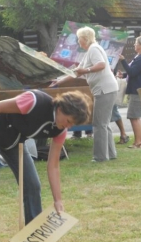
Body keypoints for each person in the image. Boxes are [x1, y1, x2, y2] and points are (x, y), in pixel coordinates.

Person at [0, 90, 92, 242]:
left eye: (72, 124)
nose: (68, 126)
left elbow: (53, 165)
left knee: (32, 186)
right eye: (68, 121)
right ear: (61, 108)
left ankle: (34, 241)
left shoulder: (60, 130)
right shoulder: (33, 101)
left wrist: (58, 200)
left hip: (14, 142)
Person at [50, 26, 118, 162]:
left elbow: (101, 65)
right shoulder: (89, 52)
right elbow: (76, 72)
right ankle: (110, 154)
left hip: (105, 89)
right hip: (105, 89)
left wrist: (86, 70)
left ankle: (100, 157)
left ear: (84, 38)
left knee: (99, 124)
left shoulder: (94, 49)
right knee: (104, 123)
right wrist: (58, 82)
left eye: (79, 38)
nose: (78, 41)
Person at [118, 35, 141, 148]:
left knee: (133, 116)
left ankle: (138, 142)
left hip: (138, 90)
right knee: (136, 117)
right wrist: (123, 74)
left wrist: (123, 61)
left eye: (136, 43)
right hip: (139, 89)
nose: (134, 45)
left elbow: (132, 72)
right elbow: (134, 72)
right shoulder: (140, 56)